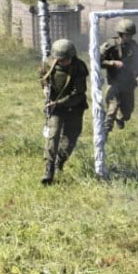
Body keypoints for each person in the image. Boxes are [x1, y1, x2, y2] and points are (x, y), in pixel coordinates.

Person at [40, 39, 88, 185]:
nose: (62, 62)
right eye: (59, 59)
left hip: (74, 107)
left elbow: (78, 93)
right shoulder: (48, 65)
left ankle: (59, 161)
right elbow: (42, 79)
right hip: (56, 109)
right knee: (53, 136)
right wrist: (45, 91)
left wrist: (58, 102)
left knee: (70, 139)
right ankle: (49, 169)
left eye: (65, 59)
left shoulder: (79, 68)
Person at [99, 18, 138, 136]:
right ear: (120, 34)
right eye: (126, 35)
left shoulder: (134, 46)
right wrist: (112, 63)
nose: (128, 38)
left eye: (130, 35)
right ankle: (106, 129)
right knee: (113, 106)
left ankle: (120, 118)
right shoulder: (110, 45)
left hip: (128, 82)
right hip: (114, 80)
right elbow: (98, 62)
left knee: (127, 112)